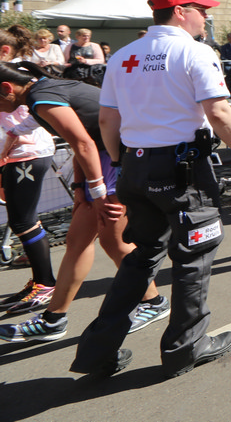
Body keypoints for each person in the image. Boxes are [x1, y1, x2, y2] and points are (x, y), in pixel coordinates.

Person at [68, 0, 231, 378]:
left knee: (142, 255)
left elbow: (108, 120)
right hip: (183, 170)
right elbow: (218, 113)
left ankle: (95, 352)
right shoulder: (195, 51)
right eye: (200, 9)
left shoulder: (123, 56)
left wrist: (119, 161)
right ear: (180, 11)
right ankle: (185, 346)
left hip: (136, 167)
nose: (205, 16)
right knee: (194, 255)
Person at [0, 62, 163, 346]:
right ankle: (55, 319)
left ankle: (152, 303)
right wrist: (79, 189)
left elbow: (84, 143)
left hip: (121, 157)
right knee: (86, 241)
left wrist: (97, 195)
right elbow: (82, 143)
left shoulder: (40, 98)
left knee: (109, 241)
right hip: (112, 156)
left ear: (6, 88)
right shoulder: (43, 92)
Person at [0, 27, 57, 317]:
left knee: (23, 221)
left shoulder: (14, 76)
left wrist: (6, 150)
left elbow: (31, 117)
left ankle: (45, 284)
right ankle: (39, 281)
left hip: (27, 154)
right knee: (22, 220)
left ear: (4, 51)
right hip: (17, 156)